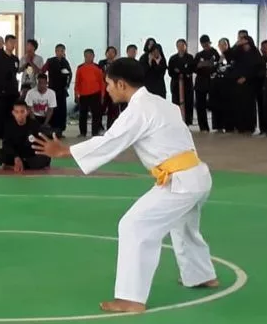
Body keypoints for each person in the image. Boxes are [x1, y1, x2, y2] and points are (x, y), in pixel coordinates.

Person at [32, 58, 218, 313]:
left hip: (180, 181)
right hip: (197, 175)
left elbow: (111, 140)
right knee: (184, 225)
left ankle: (131, 298)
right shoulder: (163, 103)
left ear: (121, 84)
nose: (106, 88)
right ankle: (202, 275)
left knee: (134, 225)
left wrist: (65, 151)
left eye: (109, 84)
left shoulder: (138, 110)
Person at [0, 101, 51, 172]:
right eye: (17, 112)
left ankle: (15, 166)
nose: (20, 115)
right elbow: (6, 145)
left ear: (27, 112)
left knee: (46, 157)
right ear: (13, 113)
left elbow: (41, 144)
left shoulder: (34, 125)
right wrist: (16, 157)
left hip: (30, 156)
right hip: (15, 155)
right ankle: (23, 165)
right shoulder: (9, 126)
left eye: (22, 111)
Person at [42, 44, 72, 136]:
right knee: (52, 109)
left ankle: (60, 130)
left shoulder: (65, 61)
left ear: (64, 52)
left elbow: (70, 74)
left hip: (62, 90)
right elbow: (42, 71)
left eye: (62, 51)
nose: (60, 53)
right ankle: (51, 130)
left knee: (62, 111)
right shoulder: (50, 61)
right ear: (55, 51)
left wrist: (67, 85)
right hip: (52, 89)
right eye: (58, 51)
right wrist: (44, 84)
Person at [74, 49, 104, 137]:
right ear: (84, 57)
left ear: (93, 56)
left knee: (96, 114)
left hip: (96, 94)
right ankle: (83, 132)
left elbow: (102, 82)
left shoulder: (98, 67)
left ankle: (95, 132)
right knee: (83, 114)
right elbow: (77, 82)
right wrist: (76, 94)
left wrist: (102, 95)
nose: (88, 58)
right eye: (86, 56)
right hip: (83, 95)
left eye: (90, 56)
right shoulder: (80, 68)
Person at [193, 35, 219, 133]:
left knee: (215, 104)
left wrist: (208, 65)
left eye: (206, 44)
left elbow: (217, 65)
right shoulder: (199, 55)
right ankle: (203, 127)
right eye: (203, 44)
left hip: (212, 81)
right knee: (200, 105)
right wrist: (199, 66)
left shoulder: (215, 53)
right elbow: (194, 67)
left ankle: (217, 125)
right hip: (200, 82)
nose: (205, 46)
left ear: (209, 43)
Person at [168, 39, 195, 125]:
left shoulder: (190, 57)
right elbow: (170, 72)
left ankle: (188, 122)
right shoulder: (173, 58)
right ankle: (177, 121)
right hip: (176, 85)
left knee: (188, 103)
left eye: (182, 45)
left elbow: (191, 70)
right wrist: (182, 71)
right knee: (176, 104)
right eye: (178, 45)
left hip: (187, 85)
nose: (180, 47)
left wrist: (180, 71)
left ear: (185, 46)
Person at [98, 47, 119, 128]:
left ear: (115, 54)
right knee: (101, 108)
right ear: (106, 53)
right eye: (109, 52)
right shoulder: (101, 63)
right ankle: (99, 126)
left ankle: (110, 127)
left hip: (114, 89)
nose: (110, 54)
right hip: (103, 88)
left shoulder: (118, 63)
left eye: (112, 52)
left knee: (113, 109)